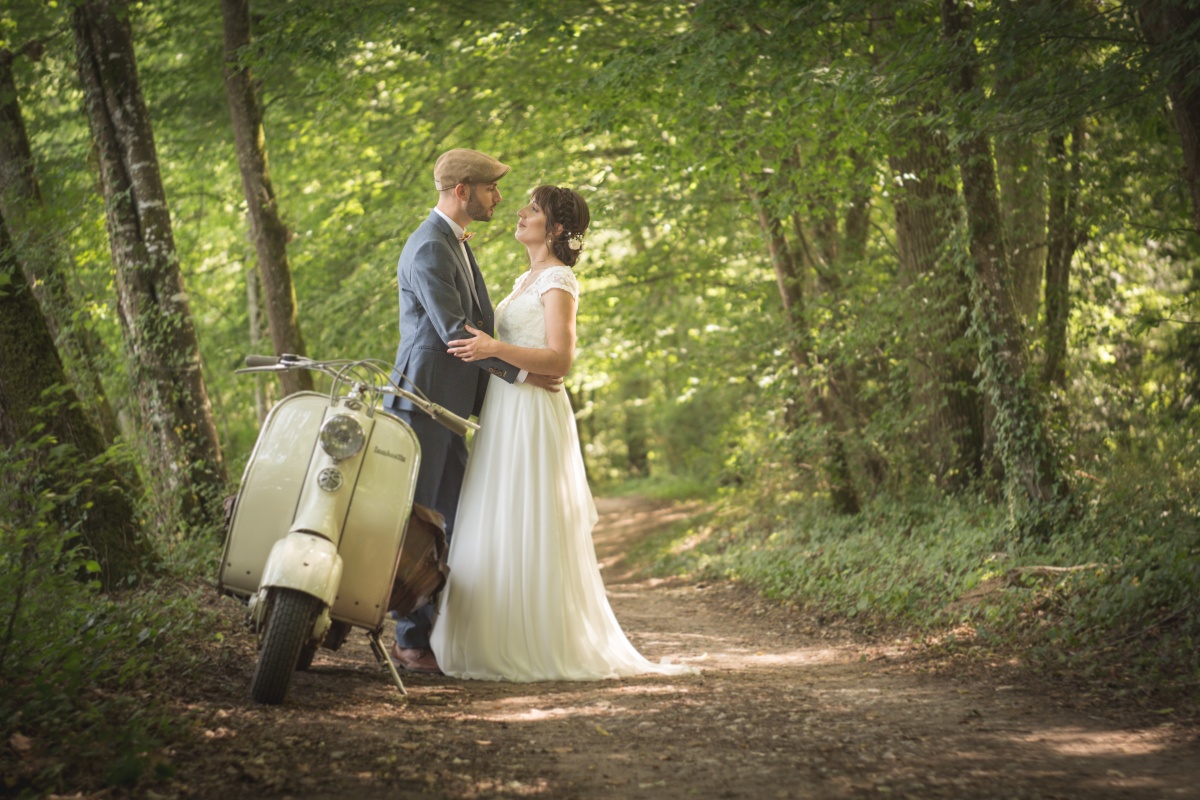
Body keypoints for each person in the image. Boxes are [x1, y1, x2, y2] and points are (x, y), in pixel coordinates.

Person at [429, 185, 695, 681]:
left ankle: (541, 639)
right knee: (497, 515)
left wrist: (492, 349)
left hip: (533, 415)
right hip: (507, 408)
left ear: (554, 228)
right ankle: (495, 635)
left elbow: (560, 359)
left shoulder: (559, 279)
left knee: (530, 518)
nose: (520, 213)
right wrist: (496, 356)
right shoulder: (523, 278)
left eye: (532, 210)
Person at [384, 149, 560, 674]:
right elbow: (457, 335)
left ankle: (440, 633)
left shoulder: (451, 243)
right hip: (426, 402)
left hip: (450, 408)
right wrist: (524, 377)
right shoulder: (430, 248)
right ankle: (412, 641)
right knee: (422, 524)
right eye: (491, 189)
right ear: (462, 190)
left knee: (458, 521)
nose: (499, 199)